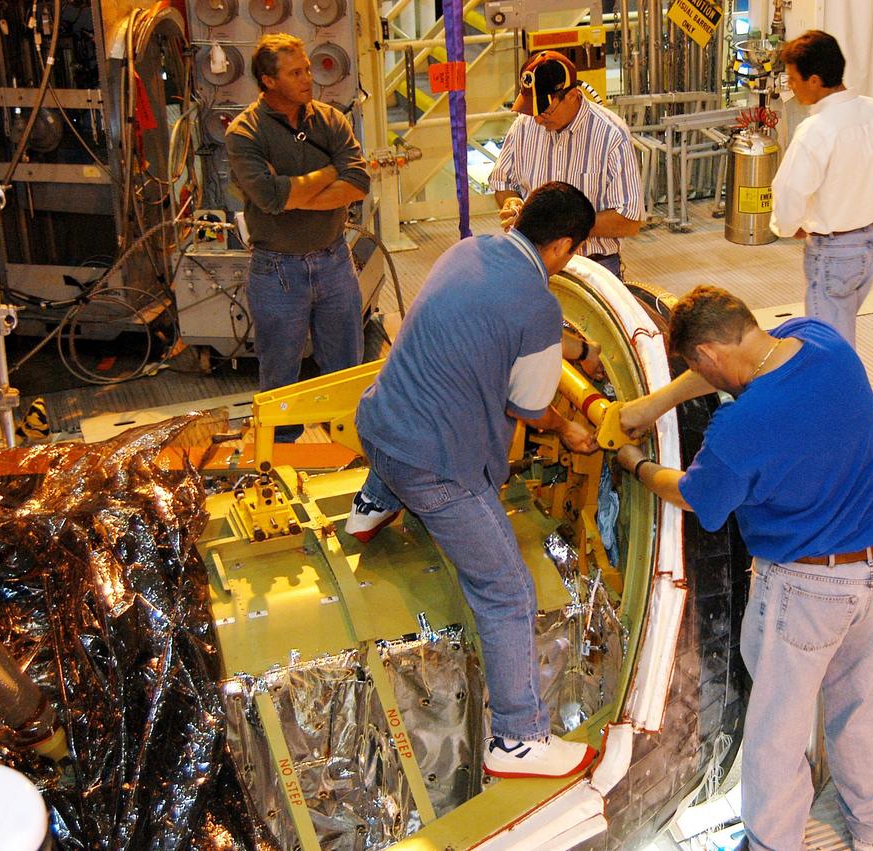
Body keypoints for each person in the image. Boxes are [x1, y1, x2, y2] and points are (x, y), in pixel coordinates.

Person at [616, 286, 873, 851]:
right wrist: (653, 406)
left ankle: (773, 843)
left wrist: (637, 463)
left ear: (707, 354)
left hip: (809, 592)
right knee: (861, 706)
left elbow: (696, 497)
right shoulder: (824, 343)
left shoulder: (740, 429)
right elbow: (733, 370)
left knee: (776, 731)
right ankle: (872, 830)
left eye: (701, 365)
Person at [350, 182, 601, 779]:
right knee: (507, 592)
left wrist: (569, 348)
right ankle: (517, 739)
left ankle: (372, 505)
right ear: (563, 246)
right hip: (435, 468)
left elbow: (479, 331)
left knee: (414, 408)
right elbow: (528, 407)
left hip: (378, 426)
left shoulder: (466, 250)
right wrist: (569, 428)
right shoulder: (537, 306)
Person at [226, 33, 370, 440]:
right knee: (280, 381)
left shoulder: (329, 119)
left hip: (334, 260)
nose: (308, 79)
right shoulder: (244, 133)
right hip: (277, 272)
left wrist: (295, 193)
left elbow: (359, 182)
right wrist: (331, 171)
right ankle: (281, 456)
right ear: (269, 81)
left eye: (306, 70)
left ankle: (348, 448)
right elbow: (271, 199)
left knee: (346, 372)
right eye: (295, 73)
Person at [770, 29, 873, 348]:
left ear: (814, 81)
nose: (790, 85)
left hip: (834, 252)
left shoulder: (816, 130)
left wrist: (788, 226)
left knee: (830, 348)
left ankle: (843, 384)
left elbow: (789, 190)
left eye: (792, 79)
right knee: (841, 331)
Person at [488, 50, 643, 280]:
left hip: (593, 269)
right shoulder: (524, 126)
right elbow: (503, 182)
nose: (537, 119)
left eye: (545, 110)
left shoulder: (611, 135)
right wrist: (513, 202)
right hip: (533, 263)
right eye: (532, 110)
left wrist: (564, 226)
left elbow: (629, 221)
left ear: (572, 96)